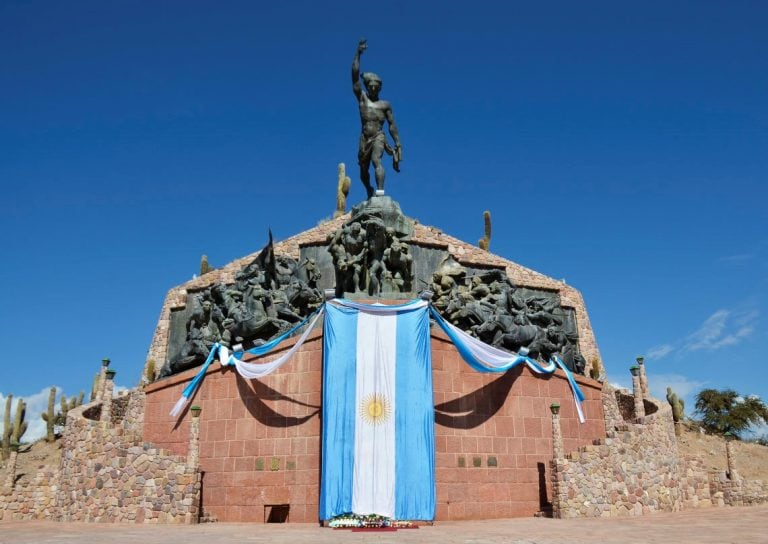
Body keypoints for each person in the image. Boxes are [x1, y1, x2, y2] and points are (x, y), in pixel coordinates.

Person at [352, 39, 402, 198]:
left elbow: (392, 125)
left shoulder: (385, 105)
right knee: (363, 173)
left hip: (378, 137)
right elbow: (354, 77)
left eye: (376, 87)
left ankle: (380, 192)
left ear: (379, 88)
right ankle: (369, 190)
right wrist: (358, 54)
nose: (373, 89)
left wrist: (398, 143)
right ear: (368, 87)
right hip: (364, 139)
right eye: (370, 87)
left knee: (376, 161)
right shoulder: (362, 99)